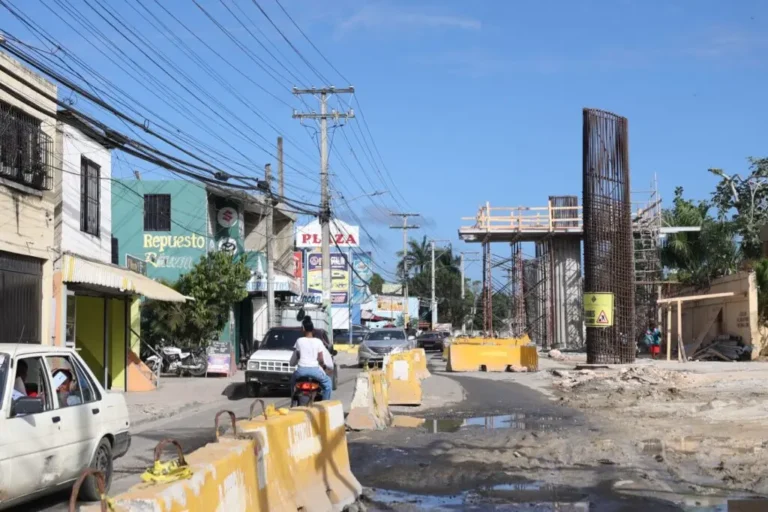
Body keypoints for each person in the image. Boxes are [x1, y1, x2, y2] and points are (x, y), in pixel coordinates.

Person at [290, 316, 333, 401]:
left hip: (301, 371)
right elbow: (320, 359)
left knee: (292, 382)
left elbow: (297, 356)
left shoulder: (299, 340)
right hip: (315, 372)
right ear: (313, 330)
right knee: (328, 384)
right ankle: (325, 404)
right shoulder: (318, 341)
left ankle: (293, 399)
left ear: (303, 329)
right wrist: (324, 367)